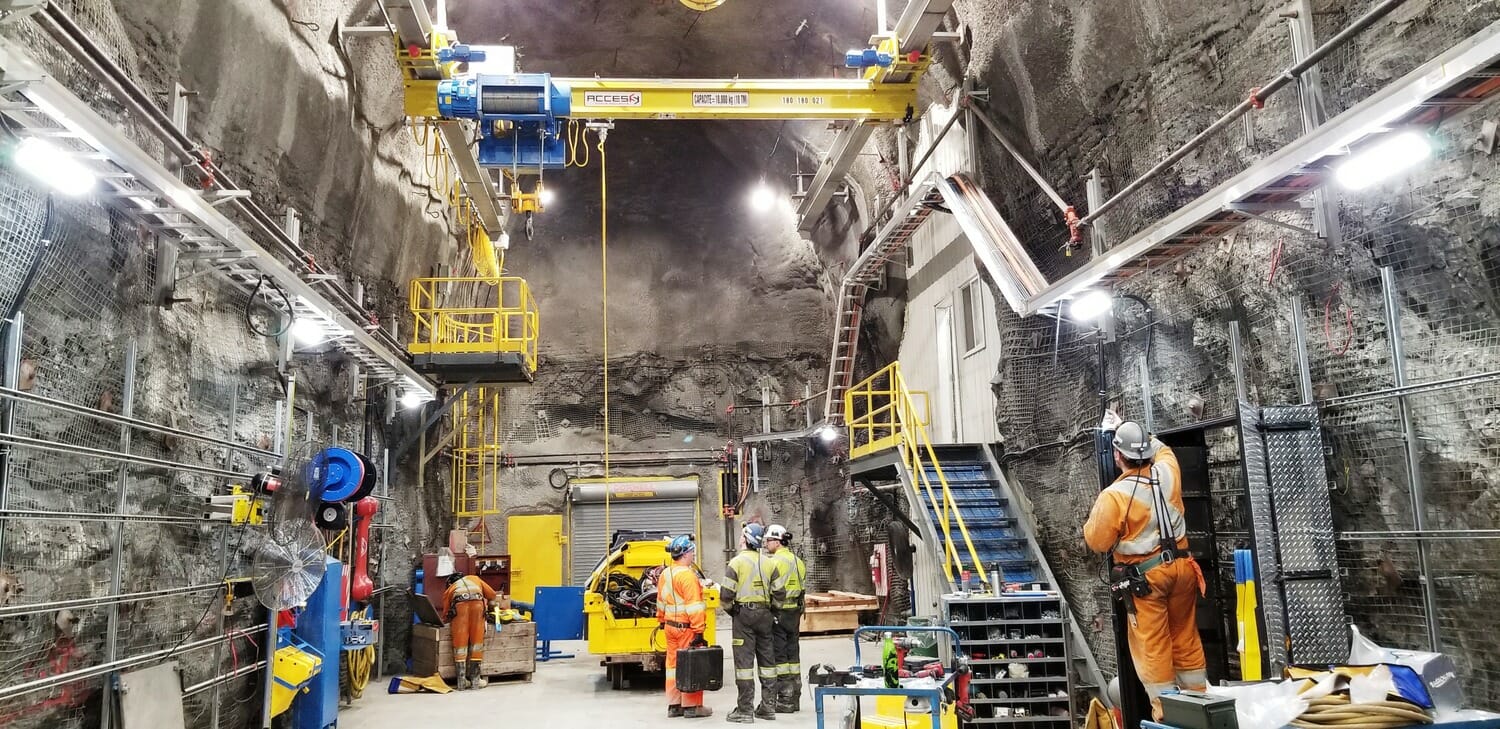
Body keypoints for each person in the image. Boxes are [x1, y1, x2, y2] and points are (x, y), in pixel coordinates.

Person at [1083, 411, 1207, 720]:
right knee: (1185, 636)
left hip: (1147, 579)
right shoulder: (1167, 471)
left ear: (1117, 456)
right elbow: (1162, 449)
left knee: (1153, 645)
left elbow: (1097, 541)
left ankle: (1167, 715)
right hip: (1183, 570)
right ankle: (1199, 701)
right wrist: (1131, 429)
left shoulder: (1115, 496)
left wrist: (1117, 430)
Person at [721, 523, 783, 723]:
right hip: (765, 616)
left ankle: (745, 710)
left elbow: (725, 596)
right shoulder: (770, 563)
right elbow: (780, 593)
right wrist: (772, 612)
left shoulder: (736, 563)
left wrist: (734, 612)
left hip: (744, 616)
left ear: (746, 539)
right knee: (768, 663)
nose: (740, 540)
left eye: (741, 537)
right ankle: (768, 708)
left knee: (744, 665)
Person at [658, 535, 714, 719]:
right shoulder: (688, 576)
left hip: (669, 626)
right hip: (686, 628)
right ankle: (692, 706)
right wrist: (699, 631)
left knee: (673, 666)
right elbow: (694, 607)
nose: (693, 555)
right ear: (684, 554)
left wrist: (661, 621)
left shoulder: (666, 574)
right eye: (691, 552)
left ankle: (674, 706)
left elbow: (660, 602)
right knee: (691, 665)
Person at [765, 524, 806, 713]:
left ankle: (785, 699)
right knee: (793, 655)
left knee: (780, 657)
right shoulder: (797, 561)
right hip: (794, 613)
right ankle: (795, 696)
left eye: (768, 541)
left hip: (780, 613)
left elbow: (770, 589)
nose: (766, 544)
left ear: (777, 541)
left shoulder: (774, 562)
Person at [440, 570, 500, 690]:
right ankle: (476, 681)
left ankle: (461, 682)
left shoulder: (450, 589)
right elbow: (492, 595)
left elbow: (446, 614)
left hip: (459, 608)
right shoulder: (475, 579)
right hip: (478, 606)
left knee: (460, 645)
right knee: (477, 641)